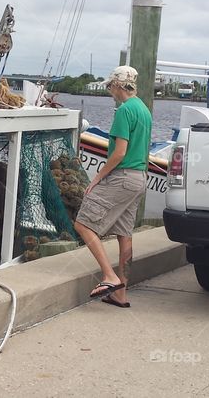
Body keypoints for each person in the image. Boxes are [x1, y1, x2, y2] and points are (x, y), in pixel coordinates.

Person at [73, 65, 152, 308]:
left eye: (110, 86)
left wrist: (97, 178)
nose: (110, 91)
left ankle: (109, 276)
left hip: (122, 177)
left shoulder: (124, 111)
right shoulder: (144, 109)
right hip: (139, 178)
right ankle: (121, 294)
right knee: (124, 234)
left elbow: (119, 153)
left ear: (118, 85)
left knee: (83, 224)